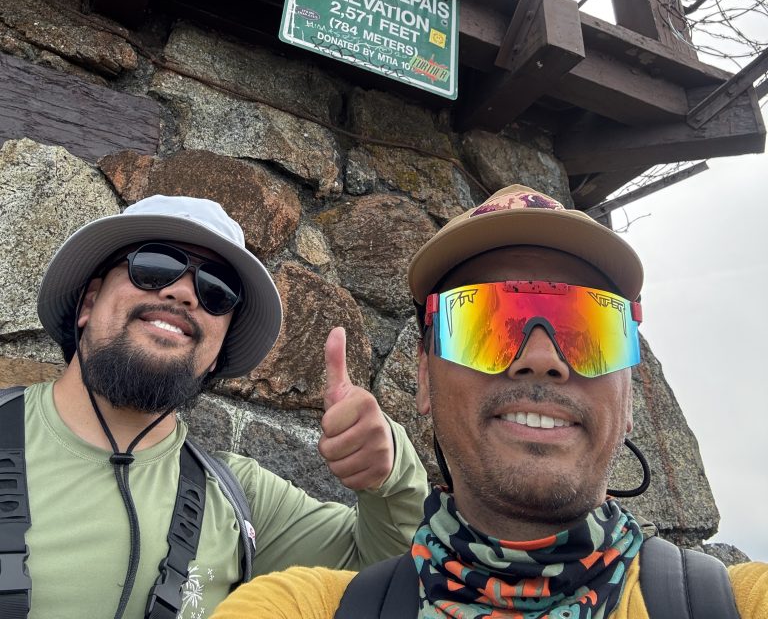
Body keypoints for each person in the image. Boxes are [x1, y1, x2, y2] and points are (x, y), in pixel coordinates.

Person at [210, 184, 768, 619]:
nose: (544, 357)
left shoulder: (738, 603)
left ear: (628, 391)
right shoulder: (300, 607)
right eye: (485, 321)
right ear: (424, 379)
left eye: (589, 325)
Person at [3, 194, 427, 619]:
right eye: (153, 265)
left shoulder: (242, 498)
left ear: (218, 349)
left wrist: (389, 472)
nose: (184, 292)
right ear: (90, 302)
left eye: (217, 290)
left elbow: (403, 573)